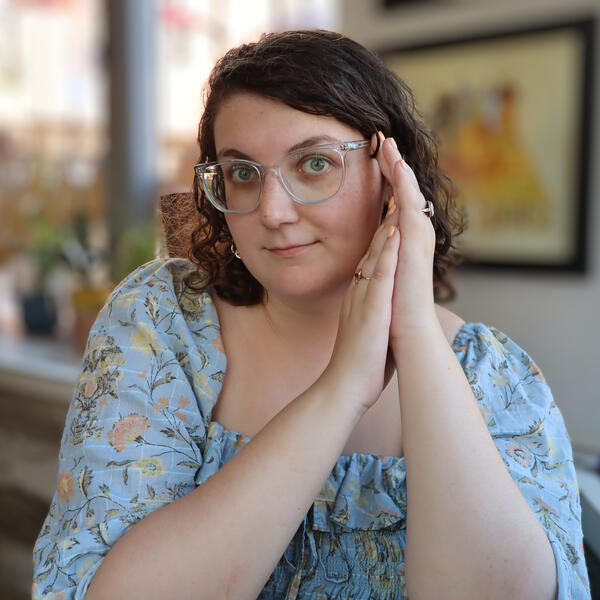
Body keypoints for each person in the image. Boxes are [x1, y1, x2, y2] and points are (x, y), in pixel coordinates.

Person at [33, 30, 590, 599]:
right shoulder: (163, 324)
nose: (272, 212)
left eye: (315, 163)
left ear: (392, 176)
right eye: (243, 173)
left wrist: (416, 332)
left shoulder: (494, 376)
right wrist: (341, 388)